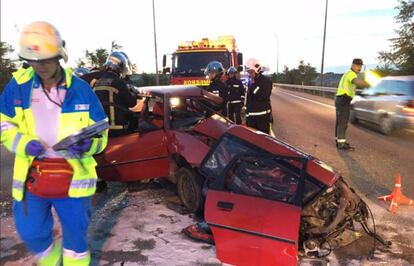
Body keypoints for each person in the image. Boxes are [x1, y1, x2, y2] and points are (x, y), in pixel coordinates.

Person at [0, 21, 108, 265]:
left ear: (60, 55)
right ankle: (49, 257)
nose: (40, 66)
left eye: (46, 59)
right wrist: (23, 142)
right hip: (32, 177)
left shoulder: (81, 90)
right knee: (31, 232)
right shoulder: (17, 87)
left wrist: (87, 145)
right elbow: (3, 123)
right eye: (34, 61)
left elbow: (101, 131)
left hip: (73, 181)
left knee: (76, 245)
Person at [82, 51, 137, 137]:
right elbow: (132, 103)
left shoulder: (97, 82)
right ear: (120, 68)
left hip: (102, 129)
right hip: (118, 130)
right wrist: (133, 92)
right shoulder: (119, 82)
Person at [335, 58, 368, 150]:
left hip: (341, 99)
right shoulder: (351, 74)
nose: (359, 67)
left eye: (361, 65)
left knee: (340, 122)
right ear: (353, 65)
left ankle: (338, 141)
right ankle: (341, 143)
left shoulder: (349, 73)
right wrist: (366, 84)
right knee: (343, 122)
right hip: (343, 99)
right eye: (357, 65)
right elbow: (356, 81)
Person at [245, 58, 272, 134]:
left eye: (251, 72)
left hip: (262, 118)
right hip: (251, 119)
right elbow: (249, 100)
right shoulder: (251, 81)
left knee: (263, 141)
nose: (249, 74)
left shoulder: (266, 81)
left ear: (257, 69)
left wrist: (253, 85)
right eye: (248, 72)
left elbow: (262, 96)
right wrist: (247, 116)